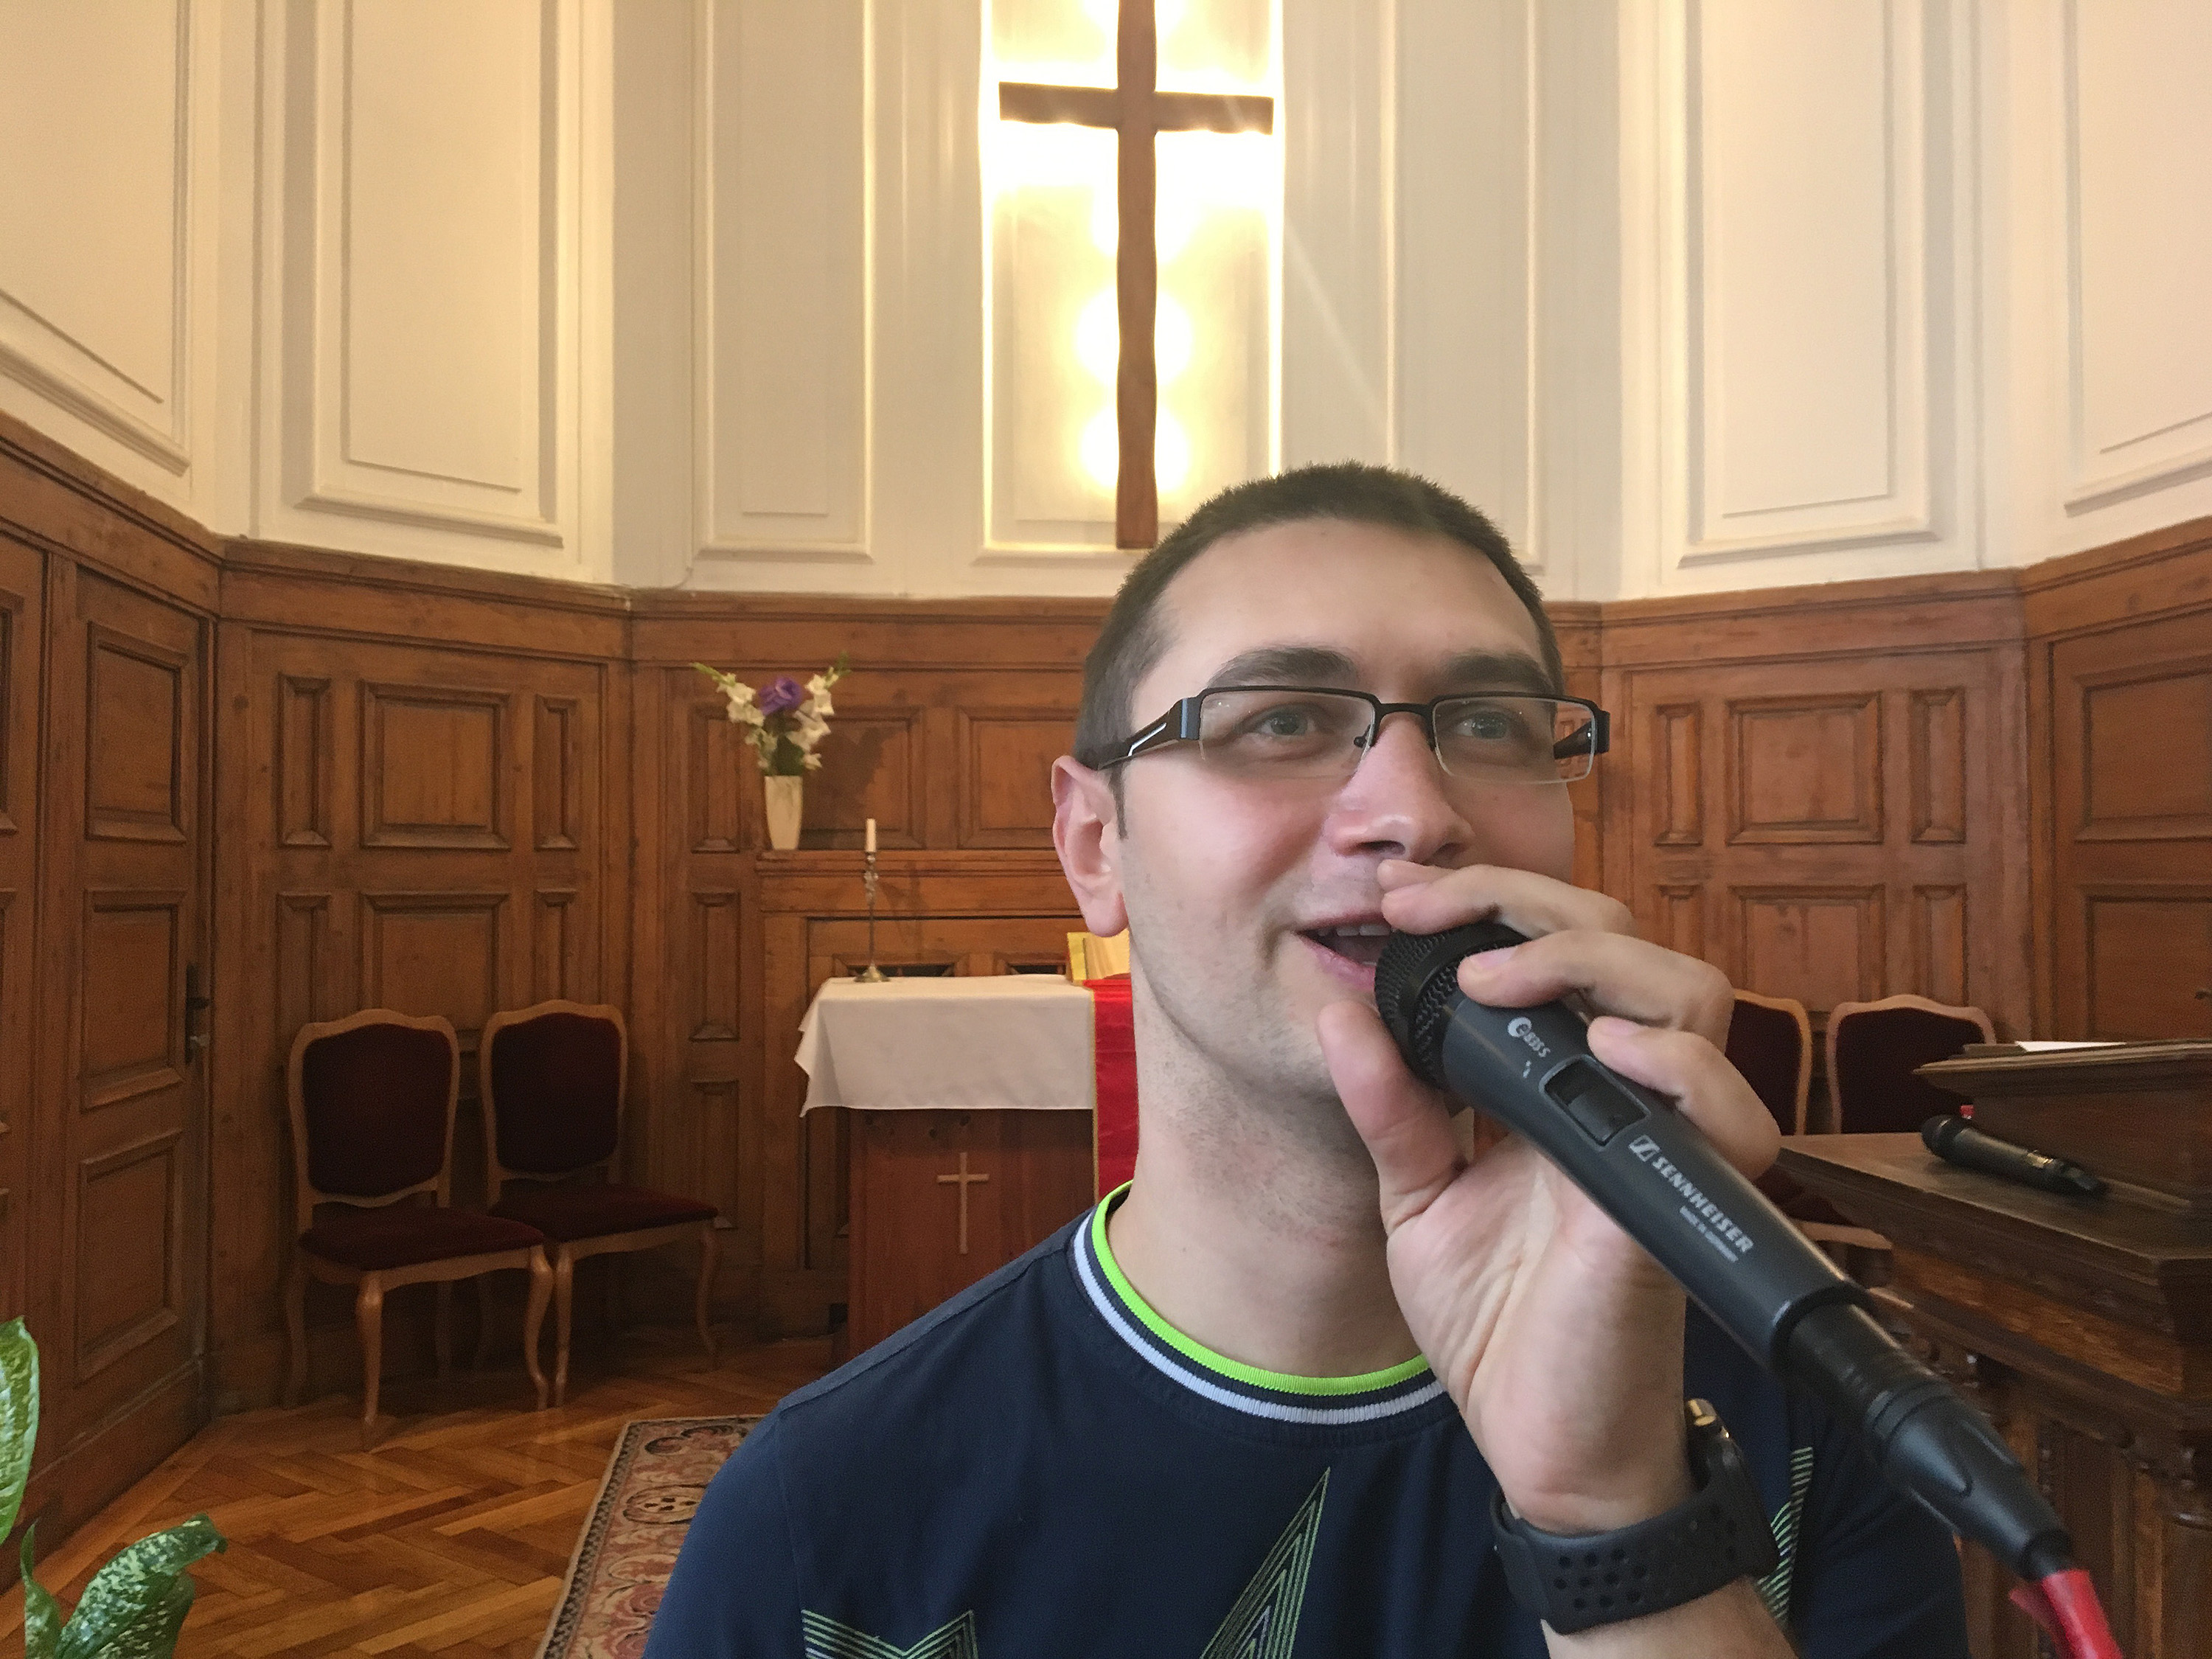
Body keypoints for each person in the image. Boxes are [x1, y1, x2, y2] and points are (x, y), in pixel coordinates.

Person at [647, 464, 1969, 1658]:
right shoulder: (823, 1516)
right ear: (1094, 843)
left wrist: (1619, 1519)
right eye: (1278, 720)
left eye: (1496, 723)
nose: (1418, 814)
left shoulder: (1820, 1435)